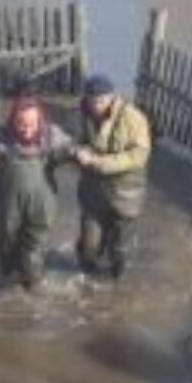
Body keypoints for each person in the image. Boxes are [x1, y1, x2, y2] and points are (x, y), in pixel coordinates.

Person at [0, 95, 73, 290]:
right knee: (5, 256)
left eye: (32, 124)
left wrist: (76, 154)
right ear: (12, 121)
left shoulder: (52, 135)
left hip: (40, 208)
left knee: (32, 262)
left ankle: (30, 302)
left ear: (40, 121)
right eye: (21, 124)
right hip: (5, 209)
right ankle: (6, 301)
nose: (27, 130)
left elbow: (71, 149)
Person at [73, 74, 152, 279]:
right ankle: (87, 280)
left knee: (120, 251)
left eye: (101, 100)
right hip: (94, 191)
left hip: (125, 191)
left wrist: (100, 163)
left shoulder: (133, 117)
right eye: (92, 101)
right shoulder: (84, 113)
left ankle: (119, 284)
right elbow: (80, 140)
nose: (96, 105)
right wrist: (79, 151)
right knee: (88, 245)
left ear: (112, 97)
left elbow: (140, 155)